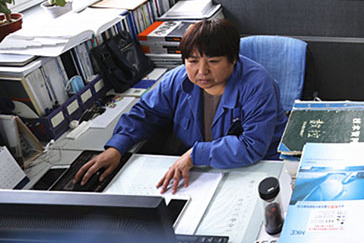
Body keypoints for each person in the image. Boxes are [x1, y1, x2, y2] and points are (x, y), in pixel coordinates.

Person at [74, 19, 287, 193]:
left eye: (213, 61)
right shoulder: (177, 79)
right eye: (193, 61)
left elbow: (251, 146)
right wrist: (116, 147)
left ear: (233, 60)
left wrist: (195, 154)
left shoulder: (258, 85)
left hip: (258, 166)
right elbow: (146, 113)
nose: (201, 71)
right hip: (204, 170)